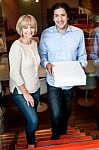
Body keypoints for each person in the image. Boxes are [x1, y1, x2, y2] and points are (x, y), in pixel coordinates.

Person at [39, 2, 87, 140]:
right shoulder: (46, 34)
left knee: (66, 111)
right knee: (55, 113)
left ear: (68, 16)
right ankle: (55, 134)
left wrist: (81, 67)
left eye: (62, 15)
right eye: (56, 16)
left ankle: (63, 127)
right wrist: (46, 64)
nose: (60, 19)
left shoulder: (78, 33)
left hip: (70, 81)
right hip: (53, 80)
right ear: (53, 18)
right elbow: (42, 55)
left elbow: (82, 55)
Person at [9, 14, 40, 148]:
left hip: (35, 87)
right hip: (21, 91)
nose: (29, 30)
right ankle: (31, 142)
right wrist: (26, 93)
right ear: (20, 29)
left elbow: (34, 64)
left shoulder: (34, 43)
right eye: (25, 27)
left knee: (31, 119)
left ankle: (30, 140)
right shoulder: (16, 47)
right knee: (33, 120)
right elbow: (14, 73)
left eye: (31, 27)